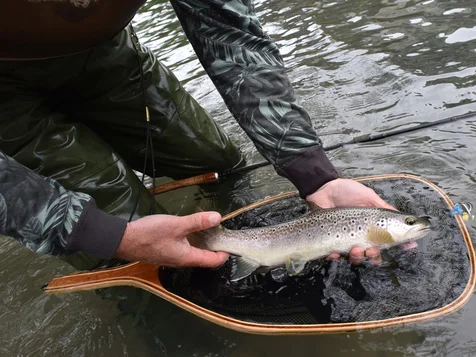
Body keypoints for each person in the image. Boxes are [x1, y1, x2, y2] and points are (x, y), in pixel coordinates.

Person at [0, 0, 393, 271]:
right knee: (119, 227)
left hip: (107, 56)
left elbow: (231, 34)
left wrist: (313, 171)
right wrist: (99, 232)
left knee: (218, 164)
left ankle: (233, 245)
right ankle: (178, 339)